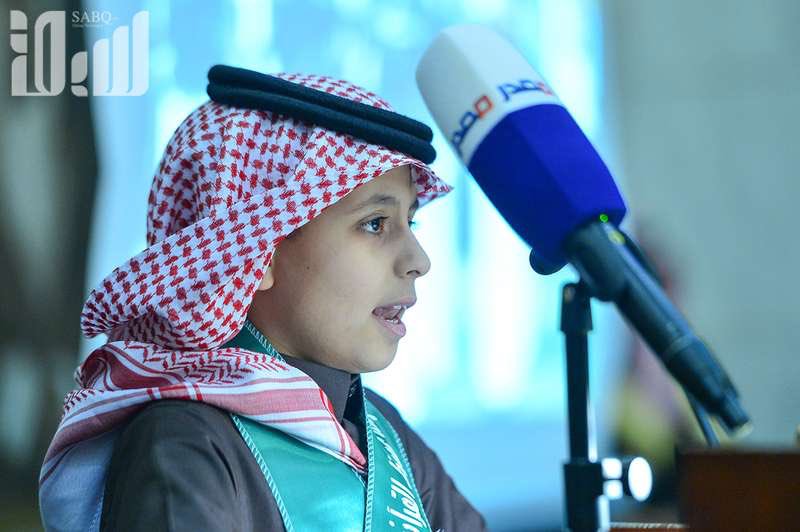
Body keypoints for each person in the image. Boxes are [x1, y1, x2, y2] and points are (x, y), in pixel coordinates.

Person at [39, 69, 488, 532]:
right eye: (375, 224)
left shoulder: (383, 433)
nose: (419, 260)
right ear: (257, 252)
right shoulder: (184, 443)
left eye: (411, 223)